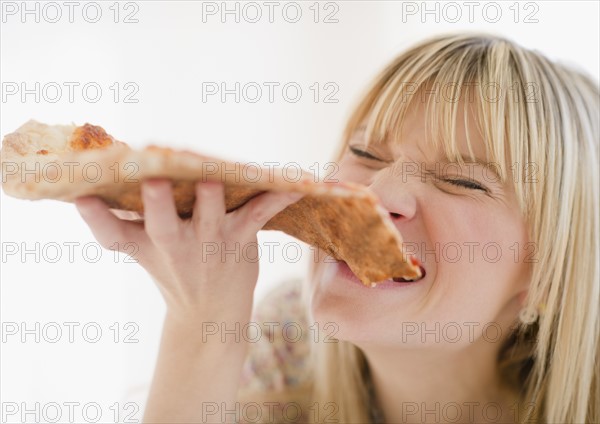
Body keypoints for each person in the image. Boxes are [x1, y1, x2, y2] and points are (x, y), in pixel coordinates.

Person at [75, 33, 599, 423]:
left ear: (550, 276)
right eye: (366, 153)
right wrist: (201, 322)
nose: (375, 195)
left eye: (461, 180)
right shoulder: (284, 348)